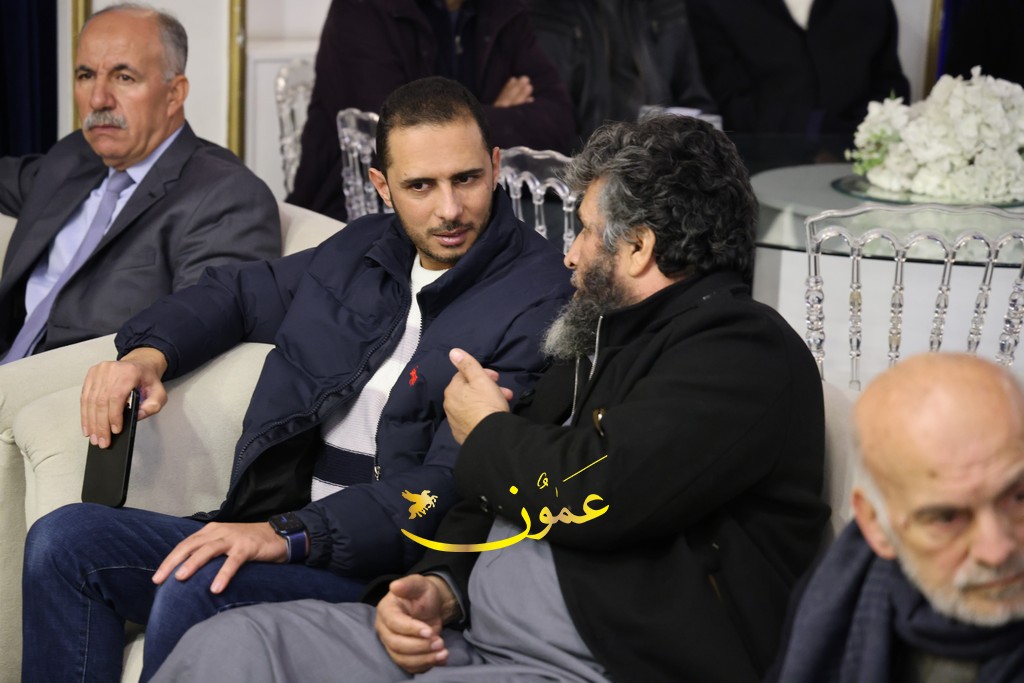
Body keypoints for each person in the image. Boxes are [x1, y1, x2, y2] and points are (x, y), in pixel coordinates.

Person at [153, 114, 829, 682]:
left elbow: (595, 490)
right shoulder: (597, 336)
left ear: (639, 247)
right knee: (230, 650)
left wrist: (483, 430)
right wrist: (440, 587)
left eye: (585, 230)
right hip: (469, 641)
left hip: (591, 666)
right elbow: (485, 498)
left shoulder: (741, 351)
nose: (571, 255)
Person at [22, 76, 573, 682]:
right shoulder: (360, 251)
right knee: (63, 541)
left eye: (465, 179)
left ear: (494, 165)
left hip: (384, 574)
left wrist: (286, 535)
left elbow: (448, 483)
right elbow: (236, 294)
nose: (449, 209)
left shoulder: (540, 296)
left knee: (199, 583)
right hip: (283, 525)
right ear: (382, 186)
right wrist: (148, 355)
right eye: (420, 186)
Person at [0, 3, 280, 363]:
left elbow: (207, 316)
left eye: (124, 77)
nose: (98, 99)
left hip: (75, 384)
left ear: (174, 93)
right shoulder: (73, 158)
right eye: (86, 75)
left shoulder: (225, 195)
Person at [770, 353, 1024, 682]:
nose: (997, 550)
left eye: (1019, 498)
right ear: (875, 526)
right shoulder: (836, 593)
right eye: (946, 518)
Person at [286, 0, 577, 221]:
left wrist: (456, 120)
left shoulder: (502, 8)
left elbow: (560, 122)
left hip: (484, 202)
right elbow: (395, 139)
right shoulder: (363, 9)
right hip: (364, 212)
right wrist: (487, 116)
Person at [684, 0, 910, 166]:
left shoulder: (871, 6)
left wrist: (847, 144)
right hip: (760, 172)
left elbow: (889, 86)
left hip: (858, 168)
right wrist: (812, 136)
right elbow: (728, 99)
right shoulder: (713, 6)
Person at [527, 0, 717, 145]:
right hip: (585, 166)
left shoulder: (663, 6)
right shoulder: (546, 10)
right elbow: (546, 120)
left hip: (661, 160)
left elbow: (694, 97)